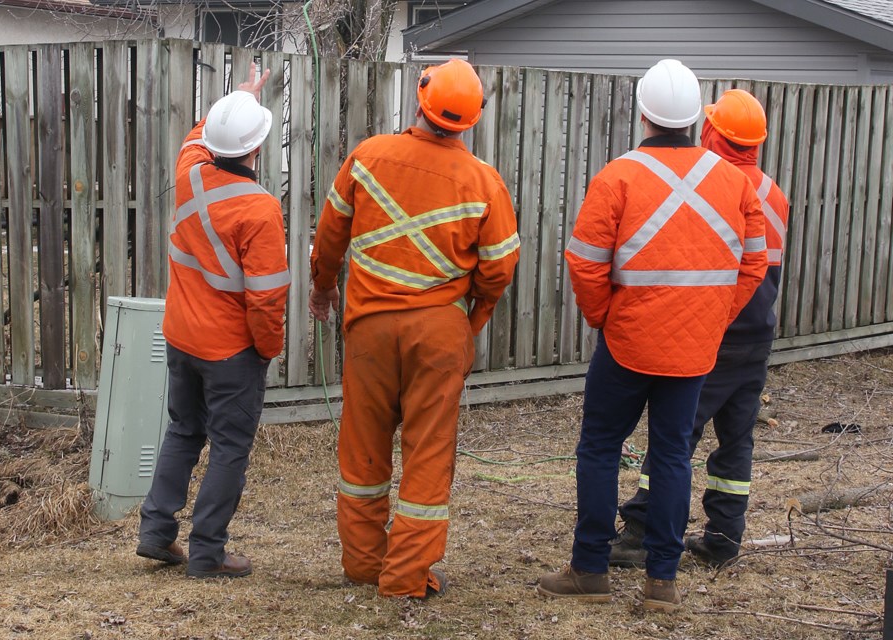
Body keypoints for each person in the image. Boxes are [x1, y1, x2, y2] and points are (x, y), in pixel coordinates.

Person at [537, 59, 767, 612]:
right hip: (691, 351)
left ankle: (590, 568)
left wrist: (604, 319)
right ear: (695, 117)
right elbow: (753, 266)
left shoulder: (617, 176)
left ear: (643, 113)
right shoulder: (736, 183)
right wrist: (710, 321)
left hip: (626, 343)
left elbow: (586, 263)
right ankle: (661, 582)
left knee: (599, 448)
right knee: (670, 459)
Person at [309, 58, 520, 599]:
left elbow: (330, 235)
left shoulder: (368, 156)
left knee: (362, 449)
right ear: (470, 119)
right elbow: (498, 270)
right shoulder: (484, 182)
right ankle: (405, 578)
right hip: (439, 333)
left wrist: (324, 287)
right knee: (428, 453)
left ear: (421, 97)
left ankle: (362, 563)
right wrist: (469, 322)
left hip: (370, 330)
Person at [611, 89, 790, 570]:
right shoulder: (774, 192)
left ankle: (641, 531)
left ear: (713, 132)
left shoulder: (717, 185)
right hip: (758, 336)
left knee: (675, 435)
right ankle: (724, 536)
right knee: (737, 439)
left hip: (715, 331)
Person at [136, 63, 290, 579]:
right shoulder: (261, 209)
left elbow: (200, 134)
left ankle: (156, 533)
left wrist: (239, 96)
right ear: (257, 150)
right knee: (229, 447)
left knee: (183, 430)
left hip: (181, 338)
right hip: (230, 352)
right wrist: (267, 349)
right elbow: (267, 298)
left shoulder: (188, 174)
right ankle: (207, 553)